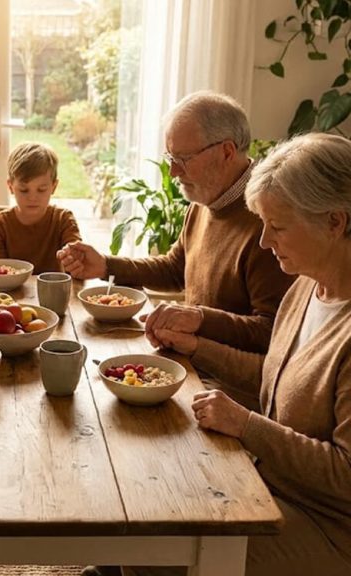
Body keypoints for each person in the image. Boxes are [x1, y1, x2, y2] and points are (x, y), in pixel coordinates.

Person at [125, 133, 351, 576]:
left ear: (335, 222)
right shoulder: (308, 287)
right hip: (271, 482)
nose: (264, 241)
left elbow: (345, 474)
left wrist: (247, 425)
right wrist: (197, 348)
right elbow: (276, 377)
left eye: (278, 226)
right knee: (142, 496)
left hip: (330, 527)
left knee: (158, 550)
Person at [58, 91, 293, 409]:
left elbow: (273, 331)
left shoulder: (268, 225)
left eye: (182, 160)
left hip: (229, 393)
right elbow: (174, 268)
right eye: (171, 160)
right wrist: (105, 266)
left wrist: (196, 319)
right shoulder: (207, 201)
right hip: (189, 364)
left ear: (226, 152)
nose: (173, 173)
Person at [0, 141, 82, 273]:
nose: (32, 198)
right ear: (10, 187)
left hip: (53, 292)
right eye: (24, 190)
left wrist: (73, 258)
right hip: (11, 293)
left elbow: (77, 257)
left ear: (53, 187)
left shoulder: (63, 219)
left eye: (41, 190)